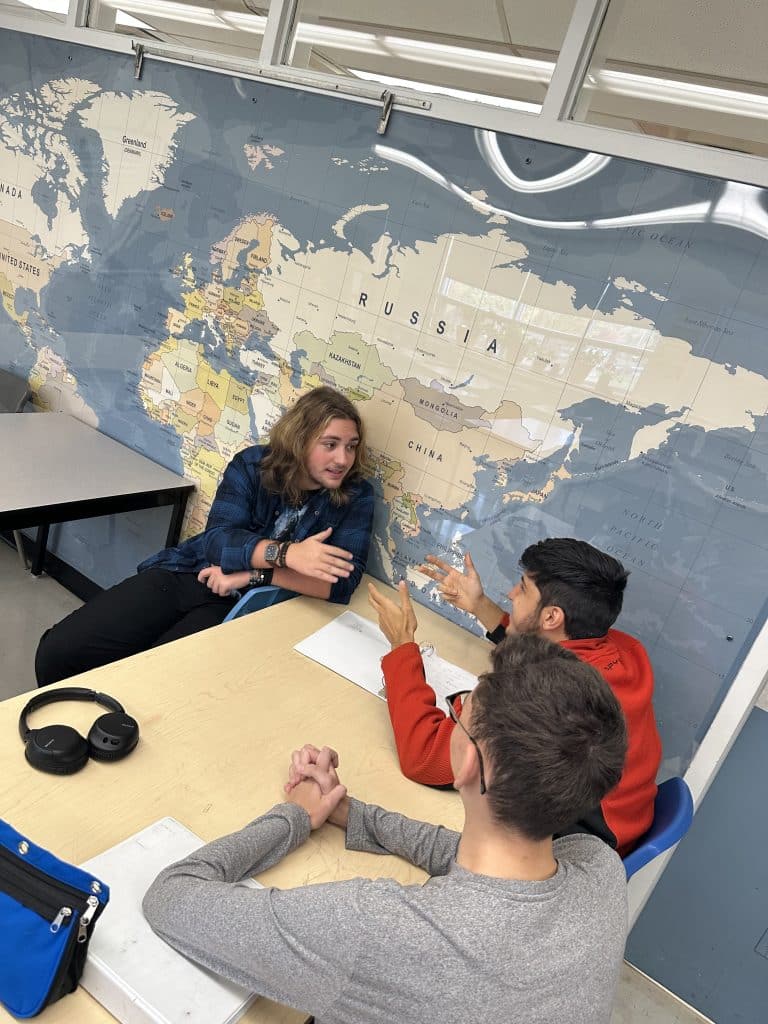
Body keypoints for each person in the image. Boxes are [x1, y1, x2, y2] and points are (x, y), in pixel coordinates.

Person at [143, 632, 629, 1024]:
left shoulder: (377, 930)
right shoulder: (600, 867)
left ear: (467, 765)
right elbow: (474, 860)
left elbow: (171, 898)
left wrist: (294, 815)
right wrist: (352, 814)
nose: (453, 718)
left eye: (461, 712)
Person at [35, 386, 374, 686]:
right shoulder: (254, 465)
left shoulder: (357, 496)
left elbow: (341, 584)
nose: (342, 459)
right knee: (58, 652)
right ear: (300, 440)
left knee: (149, 680)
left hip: (246, 603)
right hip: (191, 571)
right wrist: (286, 554)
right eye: (330, 444)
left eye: (351, 446)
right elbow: (217, 540)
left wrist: (257, 573)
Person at [370, 538, 662, 855]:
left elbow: (423, 757)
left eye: (522, 589)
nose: (511, 594)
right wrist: (480, 605)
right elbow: (546, 646)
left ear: (551, 617)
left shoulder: (548, 698)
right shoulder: (625, 650)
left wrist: (401, 646)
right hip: (629, 823)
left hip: (573, 851)